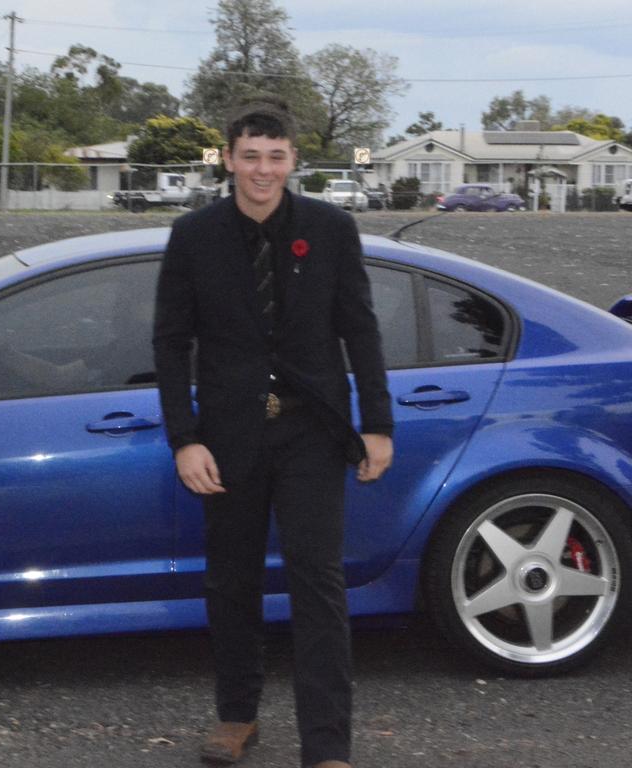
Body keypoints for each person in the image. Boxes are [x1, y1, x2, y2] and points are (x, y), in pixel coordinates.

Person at [152, 100, 394, 768]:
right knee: (231, 582)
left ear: (294, 160)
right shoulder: (194, 235)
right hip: (227, 437)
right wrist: (184, 438)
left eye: (276, 155)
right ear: (228, 158)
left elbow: (360, 330)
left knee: (319, 586)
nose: (263, 170)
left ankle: (327, 747)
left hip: (312, 433)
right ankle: (236, 718)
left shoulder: (331, 228)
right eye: (250, 155)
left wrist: (377, 424)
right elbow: (171, 344)